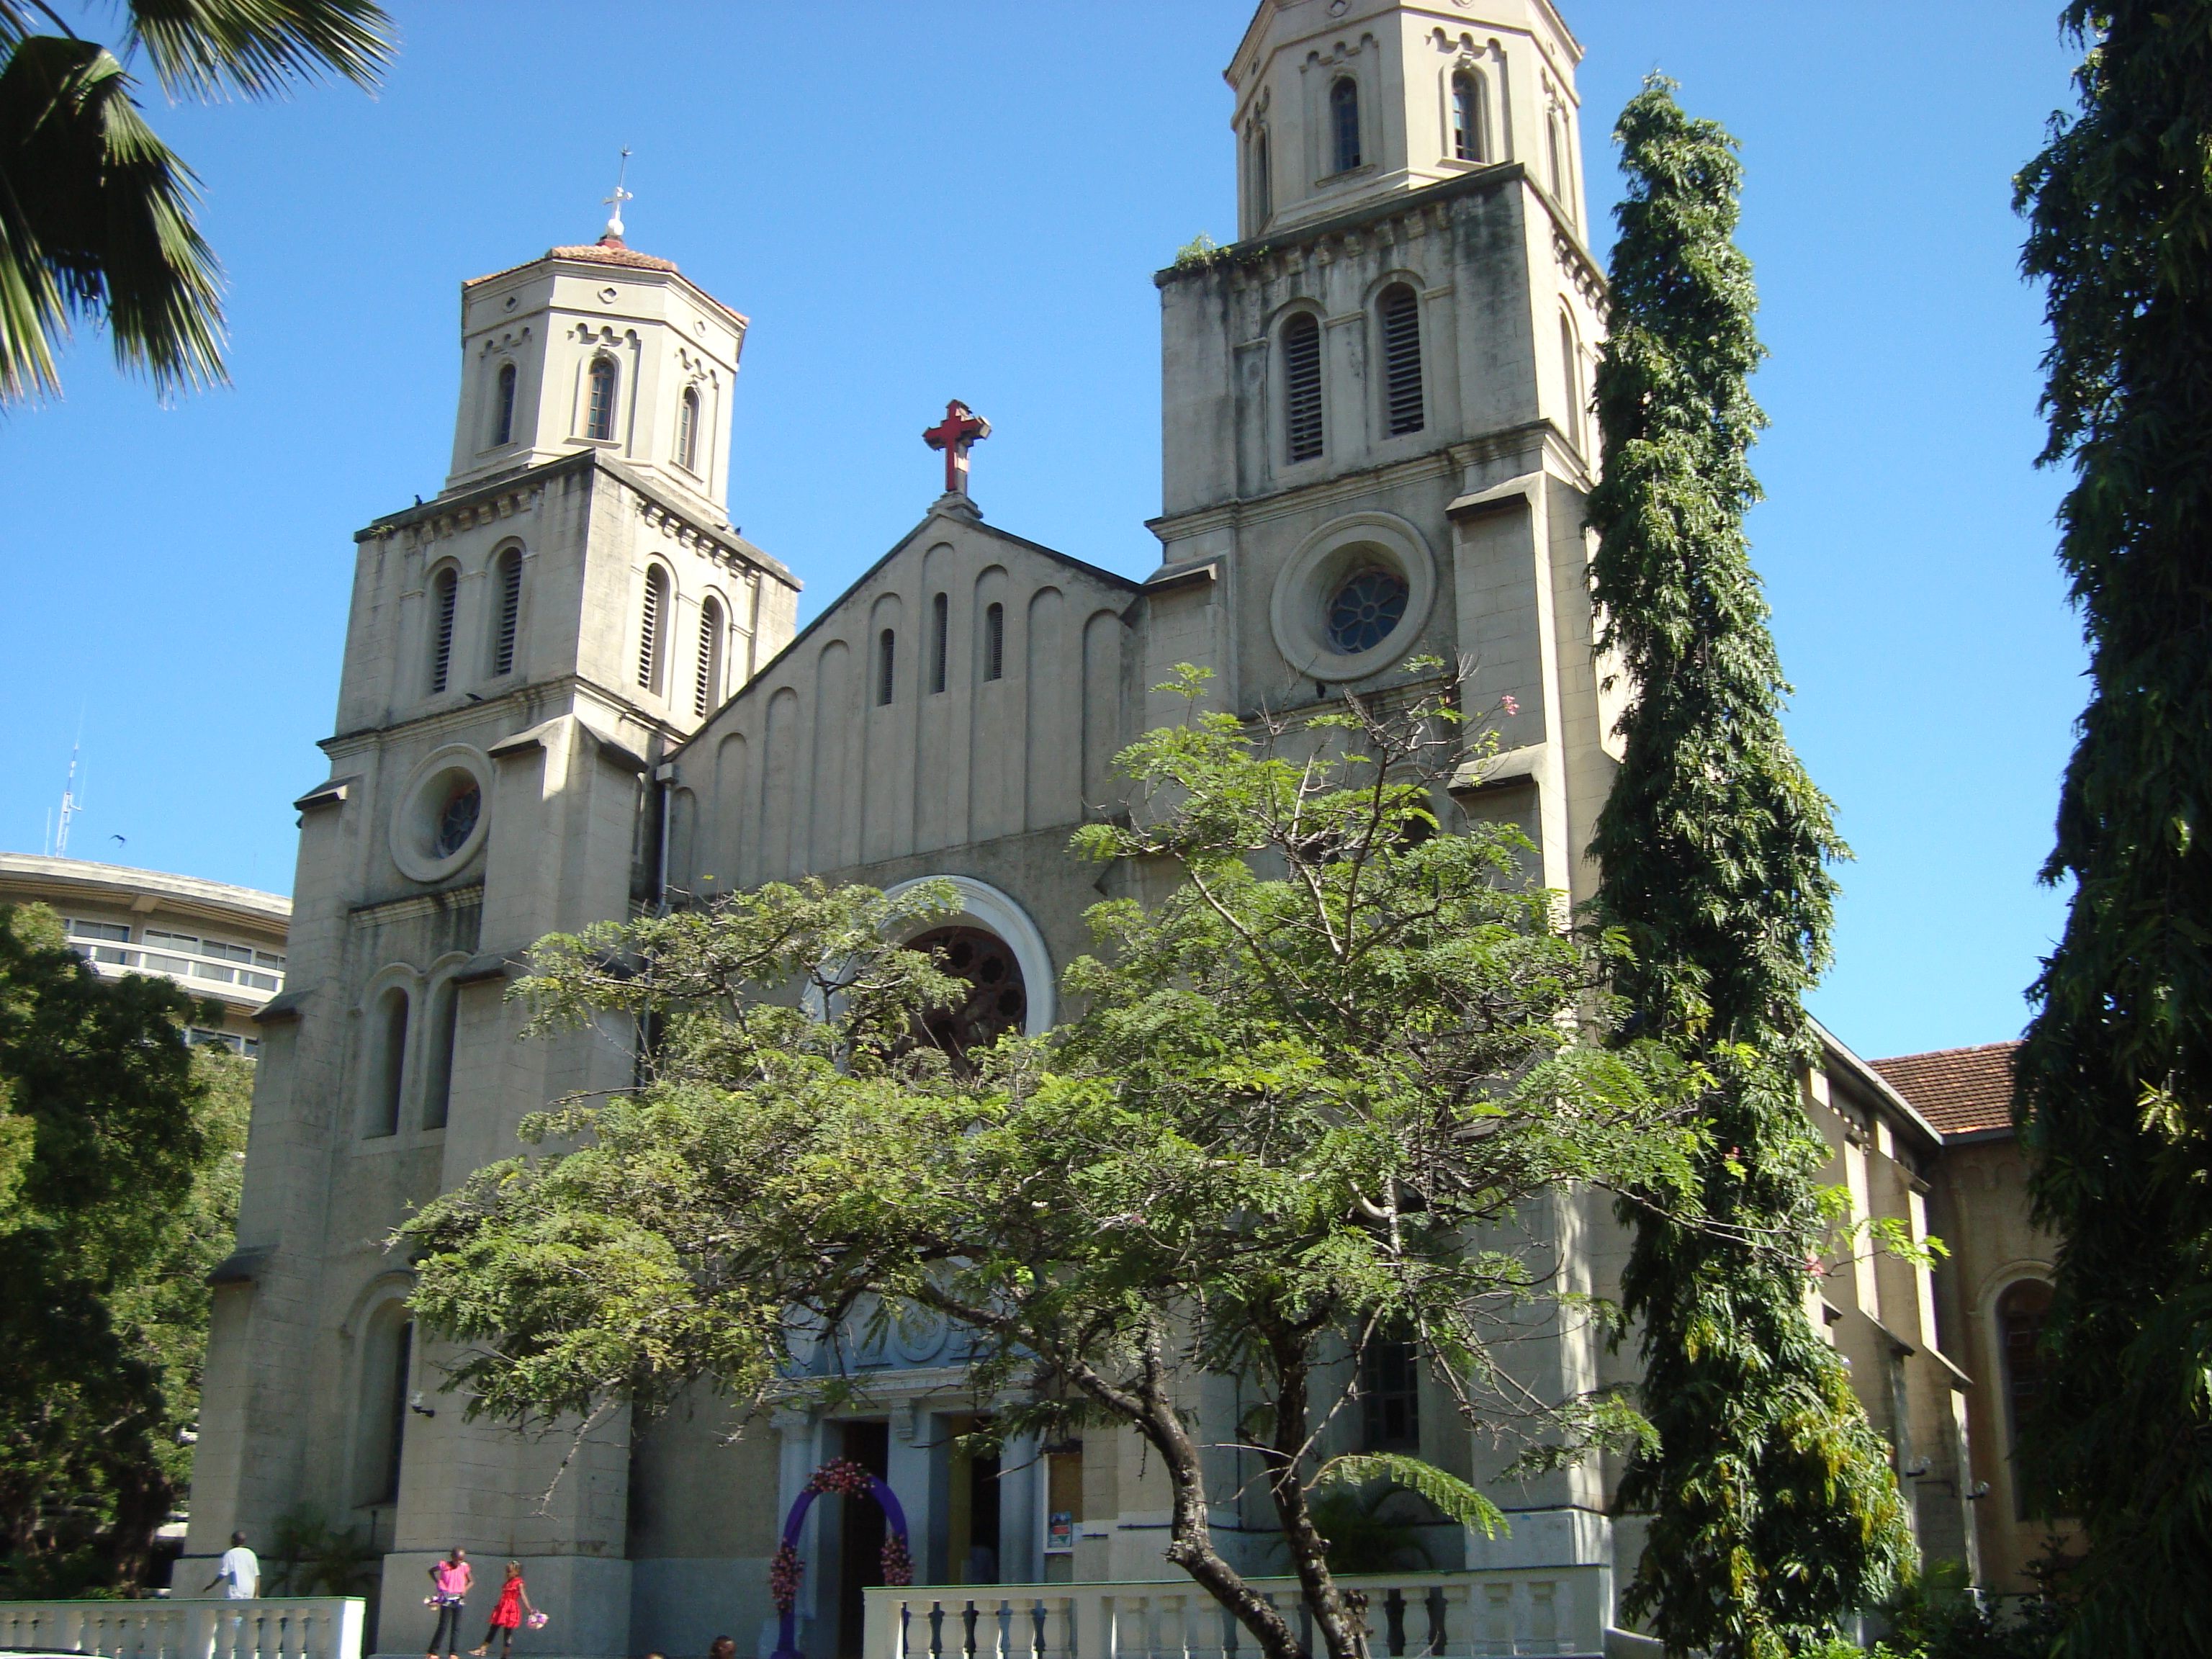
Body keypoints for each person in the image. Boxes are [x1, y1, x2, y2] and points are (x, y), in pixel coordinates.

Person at [469, 1561, 536, 1659]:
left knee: (508, 1631)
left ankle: (505, 1654)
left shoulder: (519, 1583)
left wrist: (529, 1610)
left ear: (516, 1572)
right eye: (506, 1572)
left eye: (509, 1572)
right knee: (494, 1628)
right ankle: (483, 1649)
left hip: (511, 1608)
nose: (507, 1574)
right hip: (502, 1607)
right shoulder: (507, 1583)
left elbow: (523, 1596)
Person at [425, 1547, 473, 1659]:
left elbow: (471, 1581)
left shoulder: (464, 1567)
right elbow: (431, 1571)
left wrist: (465, 1589)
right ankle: (433, 1652)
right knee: (443, 1626)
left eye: (461, 1560)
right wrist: (438, 1583)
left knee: (456, 1628)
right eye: (457, 1559)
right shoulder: (444, 1566)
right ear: (452, 1557)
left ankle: (453, 1653)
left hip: (458, 1600)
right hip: (446, 1599)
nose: (459, 1562)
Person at [204, 1531, 259, 1599]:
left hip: (236, 1592)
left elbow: (223, 1574)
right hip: (250, 1591)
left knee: (232, 1609)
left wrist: (211, 1586)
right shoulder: (251, 1554)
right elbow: (256, 1575)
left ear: (233, 1540)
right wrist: (257, 1594)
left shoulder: (230, 1554)